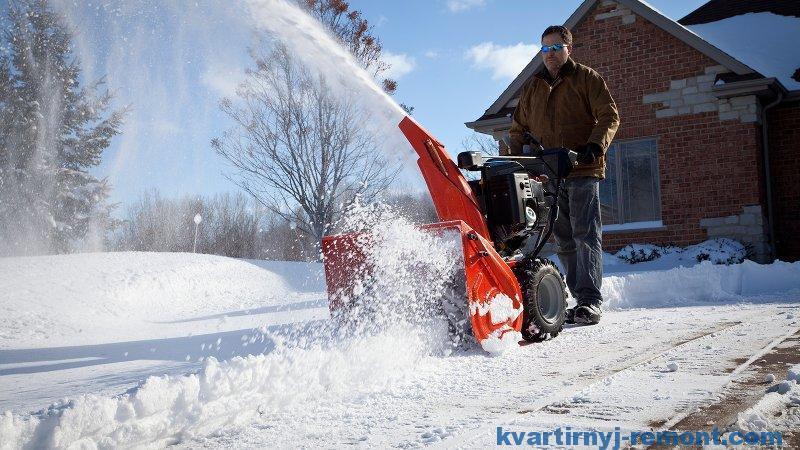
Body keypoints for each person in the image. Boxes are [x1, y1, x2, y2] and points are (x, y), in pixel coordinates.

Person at [506, 25, 620, 325]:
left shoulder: (586, 78)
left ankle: (590, 301)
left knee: (585, 234)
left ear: (569, 48)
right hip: (550, 174)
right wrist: (515, 164)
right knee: (564, 239)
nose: (550, 54)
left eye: (556, 48)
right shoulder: (533, 88)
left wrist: (595, 146)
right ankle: (577, 299)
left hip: (582, 168)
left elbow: (609, 115)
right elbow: (518, 130)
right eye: (545, 49)